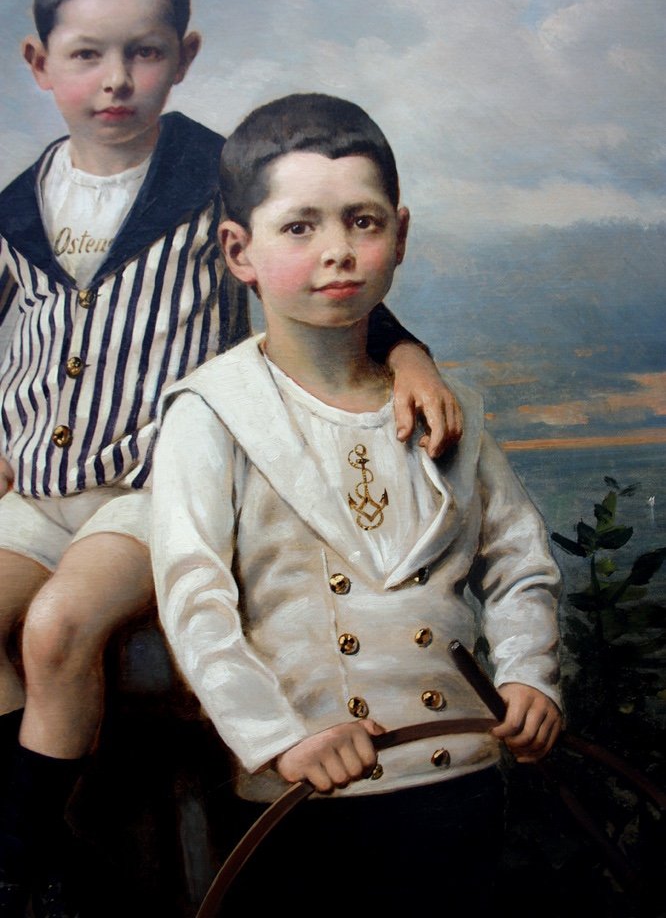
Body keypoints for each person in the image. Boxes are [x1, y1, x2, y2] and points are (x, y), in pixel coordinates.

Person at [0, 0, 461, 917]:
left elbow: (323, 284)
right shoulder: (17, 206)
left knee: (57, 626)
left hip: (158, 486)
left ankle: (20, 866)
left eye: (144, 52)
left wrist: (410, 352)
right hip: (38, 485)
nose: (116, 79)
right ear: (41, 64)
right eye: (87, 54)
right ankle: (57, 848)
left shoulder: (219, 177)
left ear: (184, 55)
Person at [151, 92, 563, 913]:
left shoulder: (459, 407)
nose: (338, 251)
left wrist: (531, 678)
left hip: (460, 778)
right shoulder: (210, 411)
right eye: (300, 227)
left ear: (399, 235)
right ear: (239, 249)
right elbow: (195, 603)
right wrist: (283, 739)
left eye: (363, 222)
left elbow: (520, 566)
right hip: (305, 798)